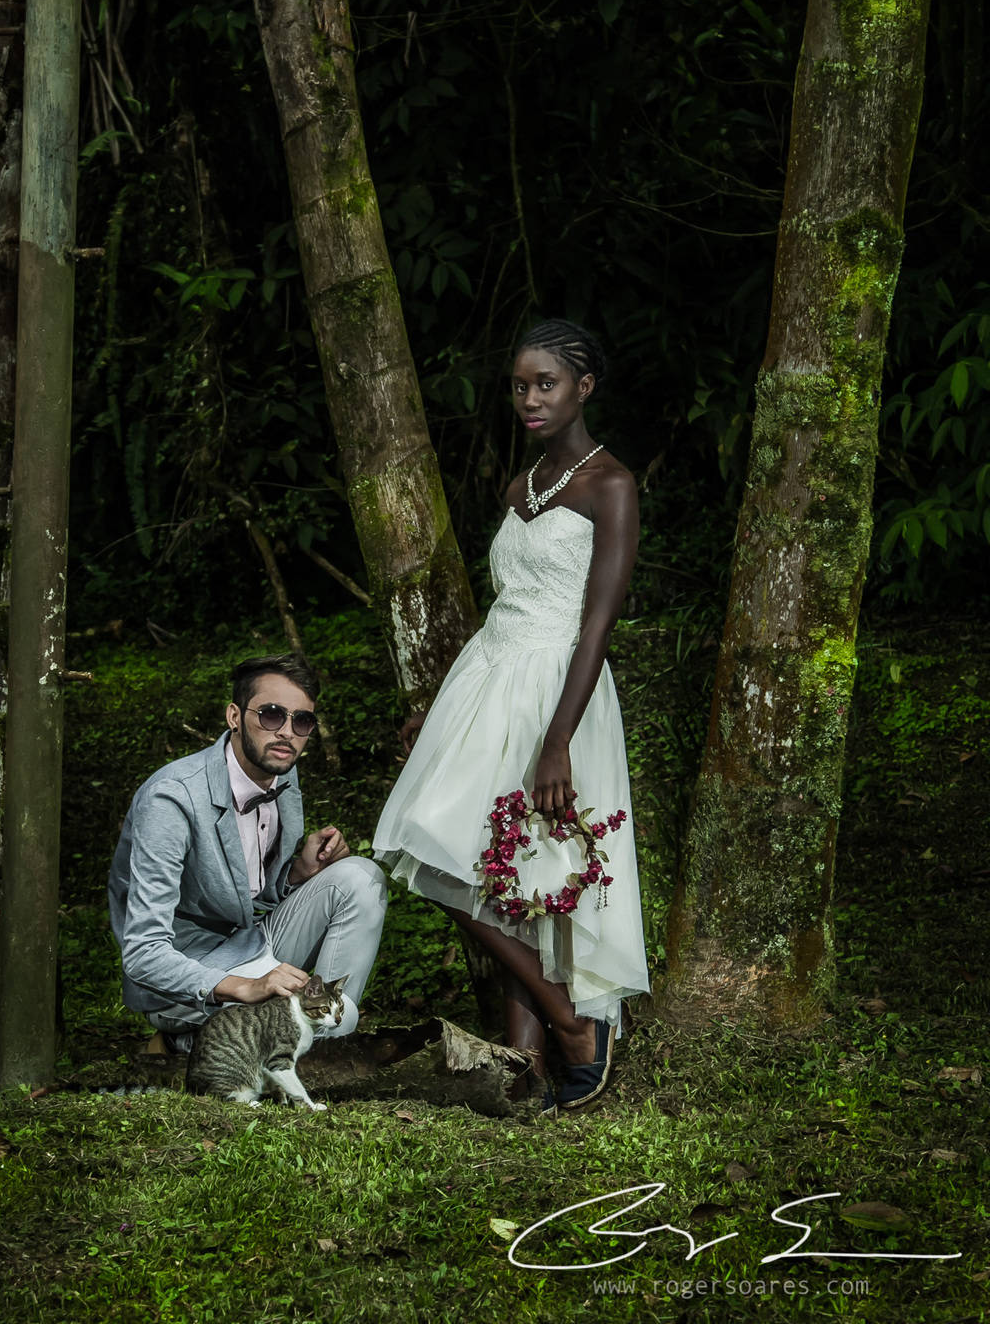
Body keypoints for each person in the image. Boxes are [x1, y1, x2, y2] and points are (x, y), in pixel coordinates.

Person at [374, 319, 649, 1110]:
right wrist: (445, 714)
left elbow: (598, 620)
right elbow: (509, 604)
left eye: (546, 384)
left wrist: (558, 739)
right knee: (455, 861)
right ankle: (526, 1059)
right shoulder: (518, 485)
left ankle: (569, 1028)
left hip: (558, 692)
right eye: (520, 385)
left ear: (584, 387)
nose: (529, 399)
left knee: (526, 871)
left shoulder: (612, 485)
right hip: (489, 678)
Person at [110, 653, 388, 1050]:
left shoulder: (282, 773)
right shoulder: (171, 800)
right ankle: (188, 1043)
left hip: (248, 942)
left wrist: (296, 875)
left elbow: (248, 897)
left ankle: (314, 1043)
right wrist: (246, 986)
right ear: (234, 716)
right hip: (183, 974)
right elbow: (143, 952)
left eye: (302, 721)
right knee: (349, 1018)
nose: (287, 732)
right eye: (272, 714)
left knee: (361, 877)